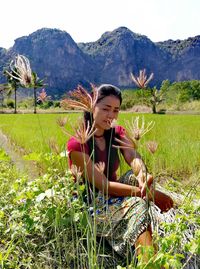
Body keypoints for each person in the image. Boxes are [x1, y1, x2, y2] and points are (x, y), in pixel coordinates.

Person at [66, 84, 173, 266]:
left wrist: (143, 174)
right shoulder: (77, 144)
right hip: (92, 203)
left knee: (133, 176)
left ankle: (150, 249)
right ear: (92, 106)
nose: (111, 116)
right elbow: (105, 186)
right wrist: (148, 193)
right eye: (106, 109)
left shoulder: (117, 132)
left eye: (116, 110)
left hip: (114, 193)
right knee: (137, 205)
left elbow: (133, 157)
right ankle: (152, 263)